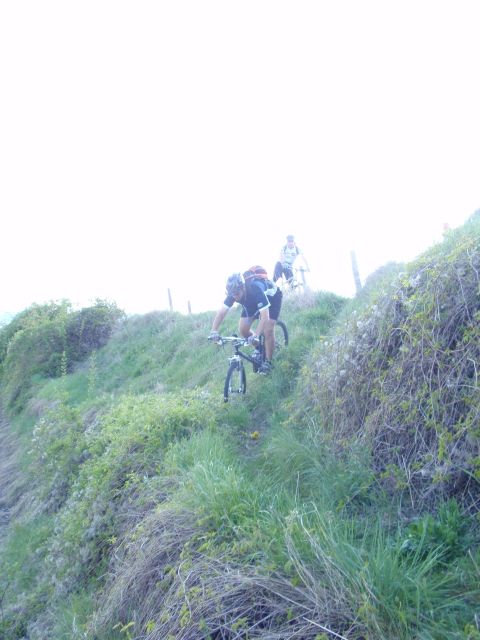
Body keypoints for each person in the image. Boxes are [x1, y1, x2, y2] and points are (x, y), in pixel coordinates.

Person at [208, 269, 283, 375]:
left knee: (268, 329)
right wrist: (214, 330)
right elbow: (222, 312)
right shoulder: (233, 292)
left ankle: (268, 362)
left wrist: (256, 335)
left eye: (237, 294)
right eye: (232, 294)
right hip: (251, 303)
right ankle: (261, 349)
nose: (235, 297)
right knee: (243, 329)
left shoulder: (255, 289)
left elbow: (265, 317)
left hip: (273, 298)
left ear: (243, 287)